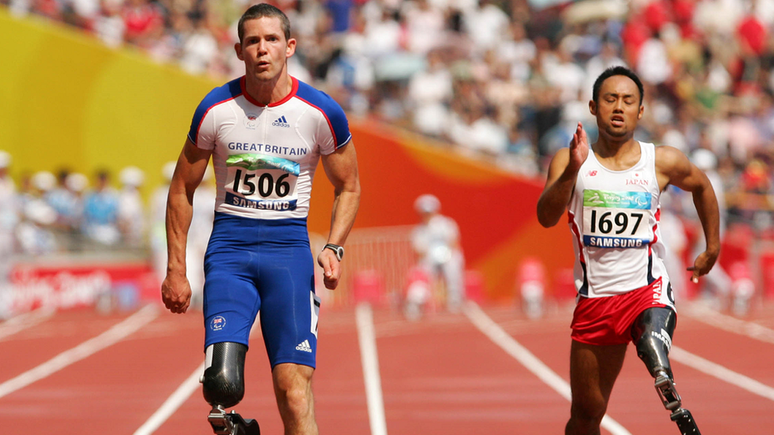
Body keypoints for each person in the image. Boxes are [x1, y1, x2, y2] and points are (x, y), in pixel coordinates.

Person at [160, 4, 361, 435]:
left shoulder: (321, 111)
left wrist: (334, 246)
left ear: (290, 46)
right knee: (222, 383)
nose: (262, 50)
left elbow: (350, 187)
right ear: (239, 50)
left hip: (287, 254)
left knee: (292, 389)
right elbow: (181, 190)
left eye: (271, 40)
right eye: (253, 41)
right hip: (229, 251)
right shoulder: (215, 109)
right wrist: (177, 267)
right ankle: (238, 427)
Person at [536, 66, 719, 435]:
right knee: (587, 414)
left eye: (627, 100)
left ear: (641, 111)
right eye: (610, 99)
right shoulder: (570, 159)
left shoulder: (661, 161)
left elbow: (701, 185)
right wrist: (572, 170)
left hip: (646, 289)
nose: (618, 107)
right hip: (596, 300)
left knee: (651, 337)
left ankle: (656, 351)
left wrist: (712, 247)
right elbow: (545, 216)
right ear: (593, 107)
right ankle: (654, 353)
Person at [409, 194, 465, 314]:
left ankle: (455, 298)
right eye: (424, 212)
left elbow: (454, 241)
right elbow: (419, 250)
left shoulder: (447, 224)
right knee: (421, 271)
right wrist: (430, 257)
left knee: (453, 264)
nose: (427, 215)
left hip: (448, 254)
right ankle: (419, 299)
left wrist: (446, 254)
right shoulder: (419, 230)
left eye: (429, 212)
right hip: (430, 258)